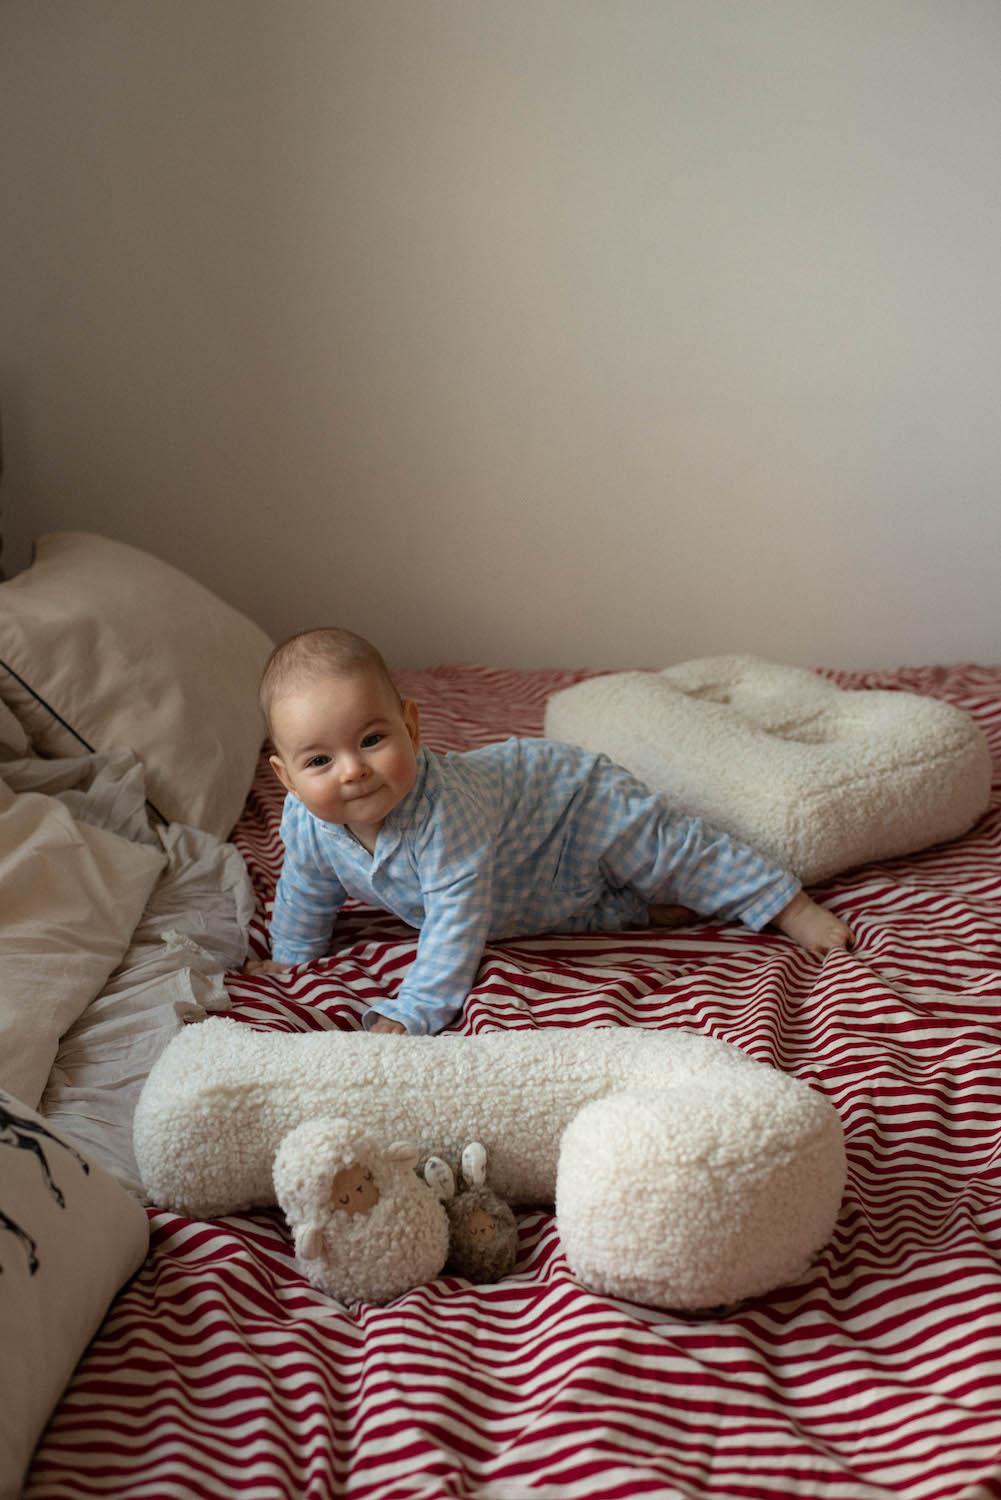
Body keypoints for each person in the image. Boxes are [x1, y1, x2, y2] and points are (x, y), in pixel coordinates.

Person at [249, 628, 853, 1034]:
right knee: (583, 908)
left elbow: (455, 926)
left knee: (669, 853)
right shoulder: (306, 819)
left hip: (572, 803)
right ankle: (639, 905)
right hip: (526, 879)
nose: (353, 770)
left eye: (372, 739)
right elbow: (306, 890)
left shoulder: (443, 813)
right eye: (320, 761)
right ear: (287, 778)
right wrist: (294, 960)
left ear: (411, 724)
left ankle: (781, 901)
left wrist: (414, 1012)